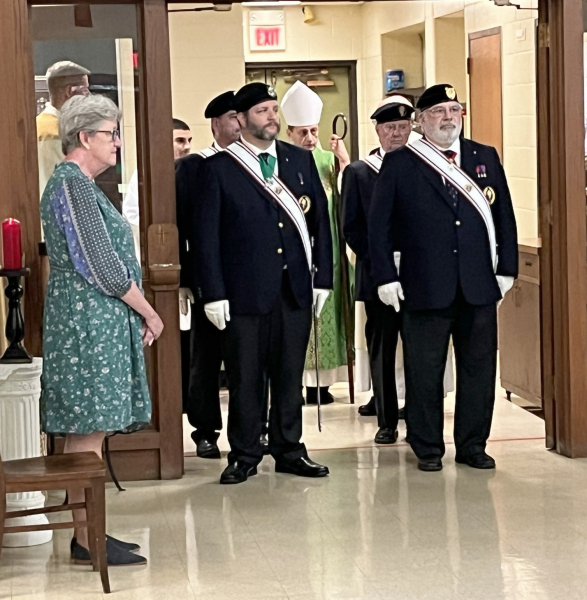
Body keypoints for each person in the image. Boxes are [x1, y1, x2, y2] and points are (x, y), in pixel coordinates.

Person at [40, 94, 164, 564]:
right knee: (88, 432)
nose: (117, 143)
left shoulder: (80, 184)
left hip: (93, 322)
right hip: (86, 326)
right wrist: (150, 312)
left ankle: (88, 532)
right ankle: (88, 538)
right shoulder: (72, 184)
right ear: (84, 137)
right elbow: (102, 266)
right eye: (111, 134)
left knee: (87, 433)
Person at [369, 84, 518, 472]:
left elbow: (504, 215)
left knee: (478, 369)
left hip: (478, 285)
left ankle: (473, 445)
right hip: (423, 286)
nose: (449, 117)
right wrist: (385, 276)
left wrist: (507, 268)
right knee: (424, 371)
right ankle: (428, 447)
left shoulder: (484, 156)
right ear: (421, 121)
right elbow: (379, 226)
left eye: (454, 109)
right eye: (438, 111)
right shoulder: (401, 162)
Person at [195, 82, 333, 484]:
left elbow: (320, 223)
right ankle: (244, 454)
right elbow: (206, 237)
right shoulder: (219, 168)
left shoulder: (299, 160)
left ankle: (289, 449)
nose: (271, 117)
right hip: (243, 294)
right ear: (240, 119)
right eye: (262, 111)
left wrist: (323, 278)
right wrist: (213, 293)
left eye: (274, 109)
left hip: (294, 290)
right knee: (245, 378)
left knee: (290, 377)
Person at [342, 98, 415, 444]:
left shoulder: (422, 167)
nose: (396, 134)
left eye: (403, 127)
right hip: (377, 276)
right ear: (377, 130)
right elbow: (352, 227)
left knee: (419, 350)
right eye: (389, 128)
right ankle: (386, 420)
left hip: (419, 275)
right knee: (382, 349)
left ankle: (418, 415)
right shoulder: (359, 172)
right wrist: (382, 262)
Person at [175, 91, 240, 458]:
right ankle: (205, 429)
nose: (240, 122)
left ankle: (253, 427)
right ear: (216, 123)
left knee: (251, 358)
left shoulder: (260, 163)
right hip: (207, 278)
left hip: (249, 279)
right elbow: (182, 226)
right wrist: (185, 278)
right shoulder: (194, 166)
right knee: (206, 357)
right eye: (233, 117)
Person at [280, 80, 351, 406]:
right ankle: (294, 382)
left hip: (327, 251)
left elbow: (345, 201)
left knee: (326, 317)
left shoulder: (326, 160)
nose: (309, 138)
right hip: (293, 251)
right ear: (289, 132)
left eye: (313, 131)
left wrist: (343, 164)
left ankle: (321, 384)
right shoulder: (280, 160)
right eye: (302, 132)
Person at [37, 61, 90, 197]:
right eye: (85, 89)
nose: (88, 96)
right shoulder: (60, 133)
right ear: (69, 91)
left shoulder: (37, 125)